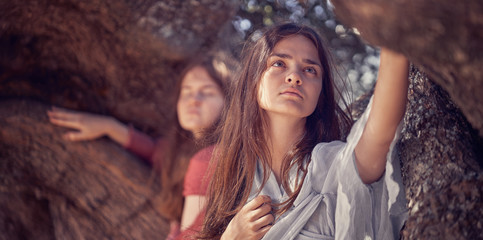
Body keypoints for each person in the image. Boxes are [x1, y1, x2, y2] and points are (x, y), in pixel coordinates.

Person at [199, 23, 409, 240]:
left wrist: (395, 35)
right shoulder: (235, 179)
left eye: (310, 70)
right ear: (253, 81)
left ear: (320, 94)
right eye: (279, 63)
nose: (294, 77)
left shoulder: (333, 169)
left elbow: (381, 134)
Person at [47, 56, 228, 240]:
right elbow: (154, 150)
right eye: (186, 91)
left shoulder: (212, 157)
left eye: (207, 92)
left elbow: (194, 237)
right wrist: (109, 126)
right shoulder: (180, 152)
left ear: (230, 103)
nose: (193, 100)